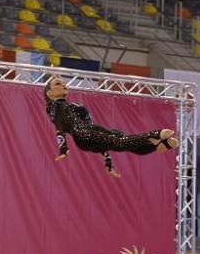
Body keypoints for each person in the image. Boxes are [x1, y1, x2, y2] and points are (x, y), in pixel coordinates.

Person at [44, 76, 177, 178]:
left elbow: (100, 139)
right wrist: (63, 148)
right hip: (83, 135)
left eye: (63, 82)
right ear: (49, 94)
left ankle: (156, 145)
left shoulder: (73, 106)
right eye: (57, 84)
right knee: (121, 141)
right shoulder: (54, 107)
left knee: (122, 139)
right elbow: (59, 126)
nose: (63, 84)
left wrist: (108, 163)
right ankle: (155, 135)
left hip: (90, 133)